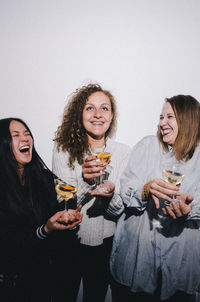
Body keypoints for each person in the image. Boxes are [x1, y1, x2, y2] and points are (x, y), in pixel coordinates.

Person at [110, 94, 200, 302]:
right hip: (139, 256)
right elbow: (127, 189)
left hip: (180, 261)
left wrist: (190, 209)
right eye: (161, 117)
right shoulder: (147, 146)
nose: (162, 123)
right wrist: (146, 189)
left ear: (189, 119)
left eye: (170, 116)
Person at [52, 83, 131, 302]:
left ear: (112, 115)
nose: (97, 114)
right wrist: (86, 181)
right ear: (80, 113)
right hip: (69, 242)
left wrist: (111, 194)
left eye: (104, 108)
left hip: (105, 245)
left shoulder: (122, 152)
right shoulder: (63, 148)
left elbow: (117, 212)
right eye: (90, 108)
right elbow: (62, 200)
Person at [0, 118, 83, 302]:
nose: (25, 139)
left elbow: (54, 209)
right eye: (16, 135)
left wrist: (66, 216)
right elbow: (9, 245)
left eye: (27, 134)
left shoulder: (43, 177)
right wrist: (45, 229)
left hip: (46, 275)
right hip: (16, 283)